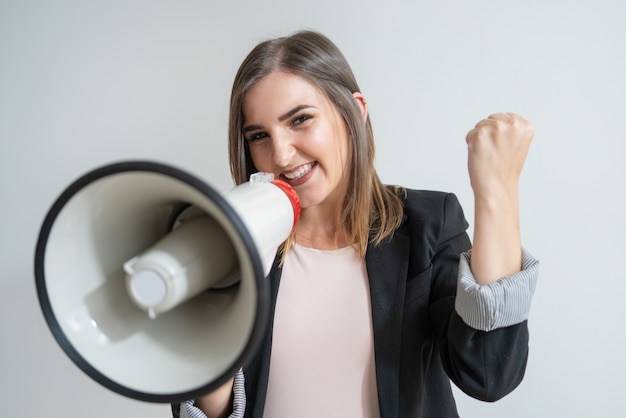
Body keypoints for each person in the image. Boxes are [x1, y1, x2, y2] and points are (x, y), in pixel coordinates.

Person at [173, 30, 539, 418]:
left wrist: (496, 191)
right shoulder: (234, 241)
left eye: (300, 119)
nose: (280, 154)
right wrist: (218, 312)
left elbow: (488, 373)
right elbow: (203, 413)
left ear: (355, 112)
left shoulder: (427, 225)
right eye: (259, 135)